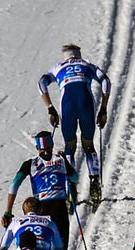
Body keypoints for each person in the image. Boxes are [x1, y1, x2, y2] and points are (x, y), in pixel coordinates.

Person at [39, 44, 112, 205]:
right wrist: (103, 108)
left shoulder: (58, 67)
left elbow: (41, 82)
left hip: (67, 105)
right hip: (86, 103)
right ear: (78, 55)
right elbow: (106, 81)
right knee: (88, 145)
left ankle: (71, 187)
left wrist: (50, 107)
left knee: (69, 147)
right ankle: (94, 182)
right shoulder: (87, 64)